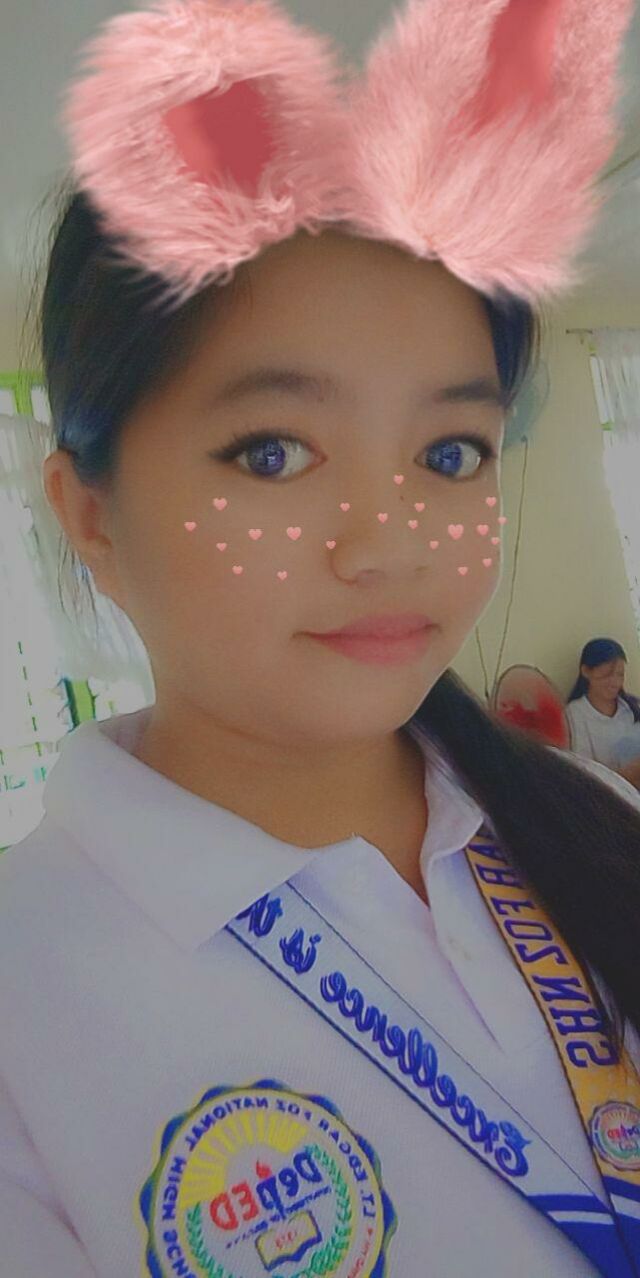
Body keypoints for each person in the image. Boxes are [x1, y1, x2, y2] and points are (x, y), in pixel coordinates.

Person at [1, 2, 640, 1276]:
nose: (388, 546)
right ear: (92, 516)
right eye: (273, 454)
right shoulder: (28, 997)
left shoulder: (587, 813)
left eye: (448, 455)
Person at [566, 638, 640, 787]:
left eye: (620, 675)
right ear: (586, 671)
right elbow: (585, 775)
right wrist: (628, 774)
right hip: (609, 795)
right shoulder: (576, 714)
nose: (615, 682)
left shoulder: (631, 708)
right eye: (607, 675)